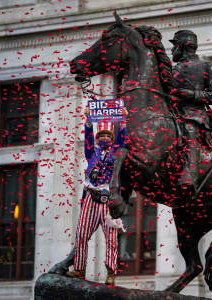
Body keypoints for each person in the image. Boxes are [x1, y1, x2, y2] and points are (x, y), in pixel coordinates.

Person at [66, 107, 127, 286]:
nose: (105, 138)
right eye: (101, 136)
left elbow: (122, 141)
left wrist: (123, 121)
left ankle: (110, 273)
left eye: (108, 136)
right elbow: (87, 139)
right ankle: (79, 269)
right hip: (91, 198)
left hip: (108, 201)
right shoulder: (91, 153)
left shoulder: (115, 152)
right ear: (98, 139)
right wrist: (87, 120)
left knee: (111, 238)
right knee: (81, 234)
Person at [169, 30, 212, 192]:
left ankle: (189, 173)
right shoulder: (170, 71)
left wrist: (192, 94)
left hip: (194, 115)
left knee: (189, 129)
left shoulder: (208, 66)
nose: (171, 51)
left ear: (182, 46)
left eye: (174, 46)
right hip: (171, 114)